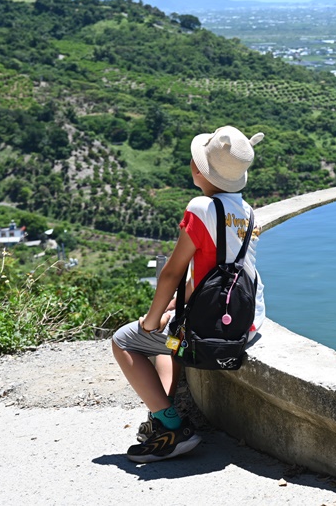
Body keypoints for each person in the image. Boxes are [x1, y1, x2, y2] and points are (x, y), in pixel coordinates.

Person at [111, 125, 266, 463]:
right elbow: (215, 275)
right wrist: (171, 310)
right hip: (247, 321)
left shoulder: (201, 208)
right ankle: (162, 415)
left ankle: (172, 427)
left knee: (125, 340)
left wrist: (152, 319)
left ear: (201, 170)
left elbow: (173, 271)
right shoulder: (249, 213)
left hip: (213, 330)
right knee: (170, 331)